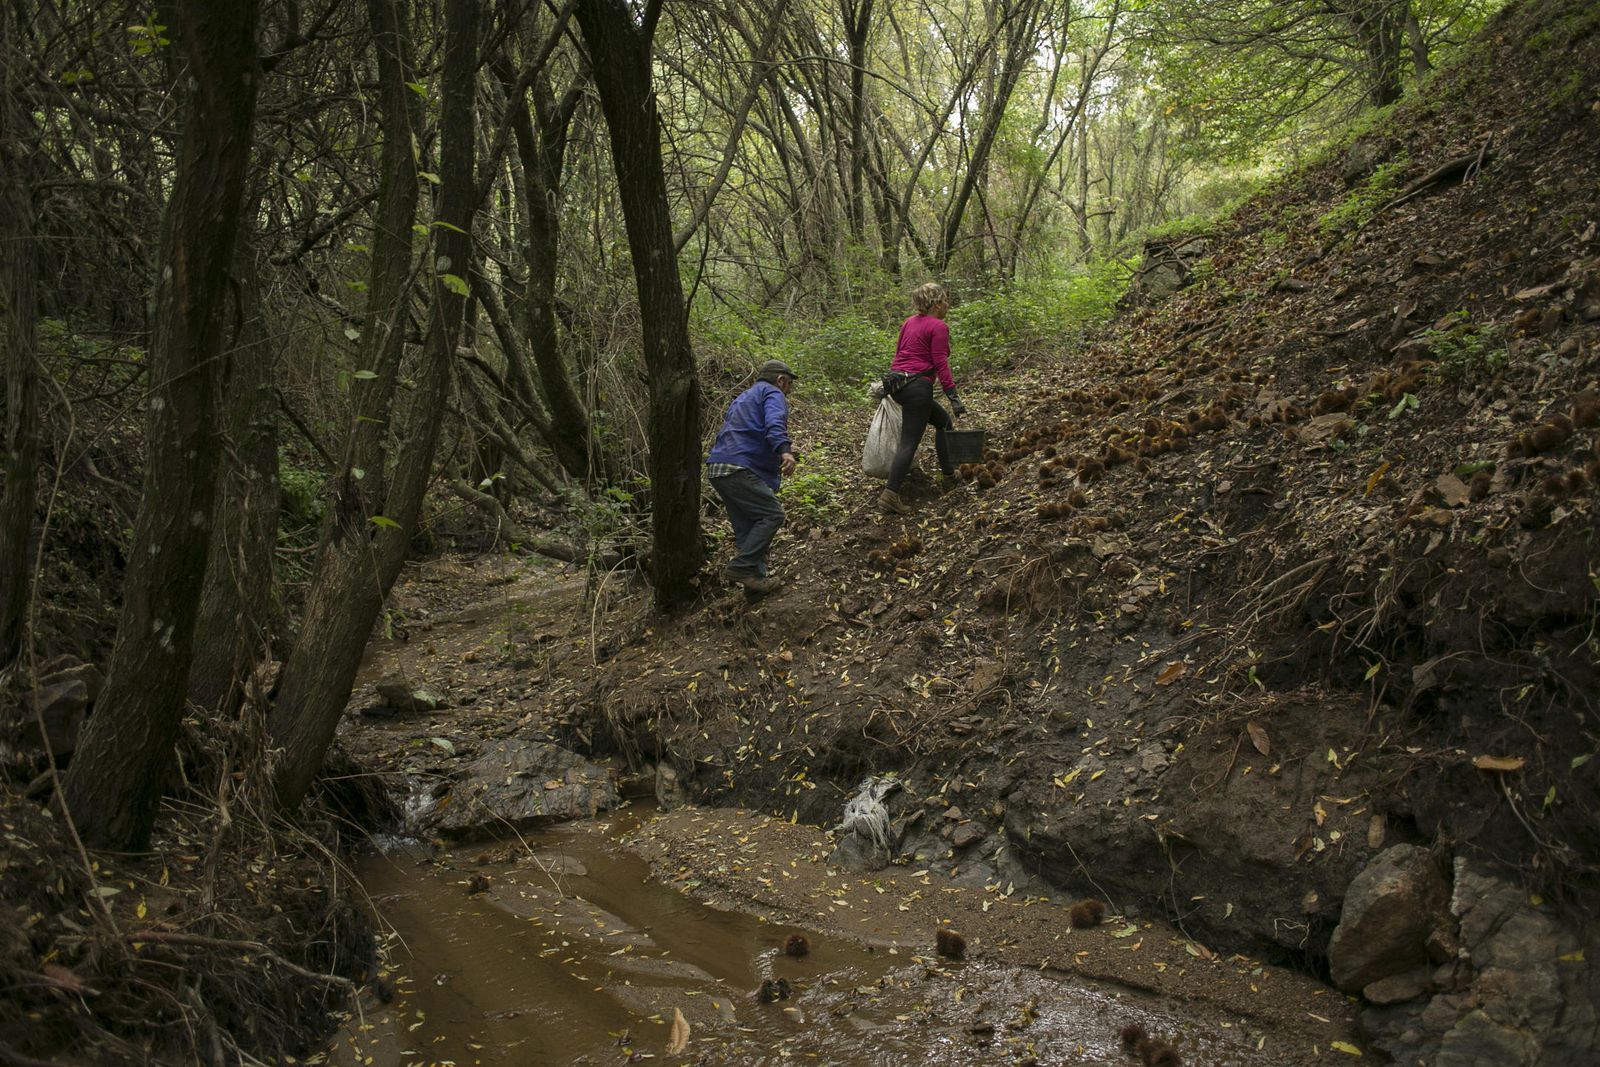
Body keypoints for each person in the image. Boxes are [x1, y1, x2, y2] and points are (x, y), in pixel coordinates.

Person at [705, 359, 799, 595]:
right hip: (739, 466)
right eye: (788, 385)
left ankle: (754, 586)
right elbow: (774, 423)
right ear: (780, 380)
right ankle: (741, 566)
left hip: (719, 467)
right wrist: (785, 450)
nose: (789, 390)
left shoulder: (743, 397)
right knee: (772, 514)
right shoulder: (773, 393)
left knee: (747, 528)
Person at [877, 282, 966, 515]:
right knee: (909, 441)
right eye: (945, 300)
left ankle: (948, 475)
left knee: (943, 422)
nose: (947, 304)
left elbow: (899, 355)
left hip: (898, 384)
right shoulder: (938, 326)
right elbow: (940, 362)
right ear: (936, 304)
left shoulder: (909, 322)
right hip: (918, 386)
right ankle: (890, 494)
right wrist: (953, 395)